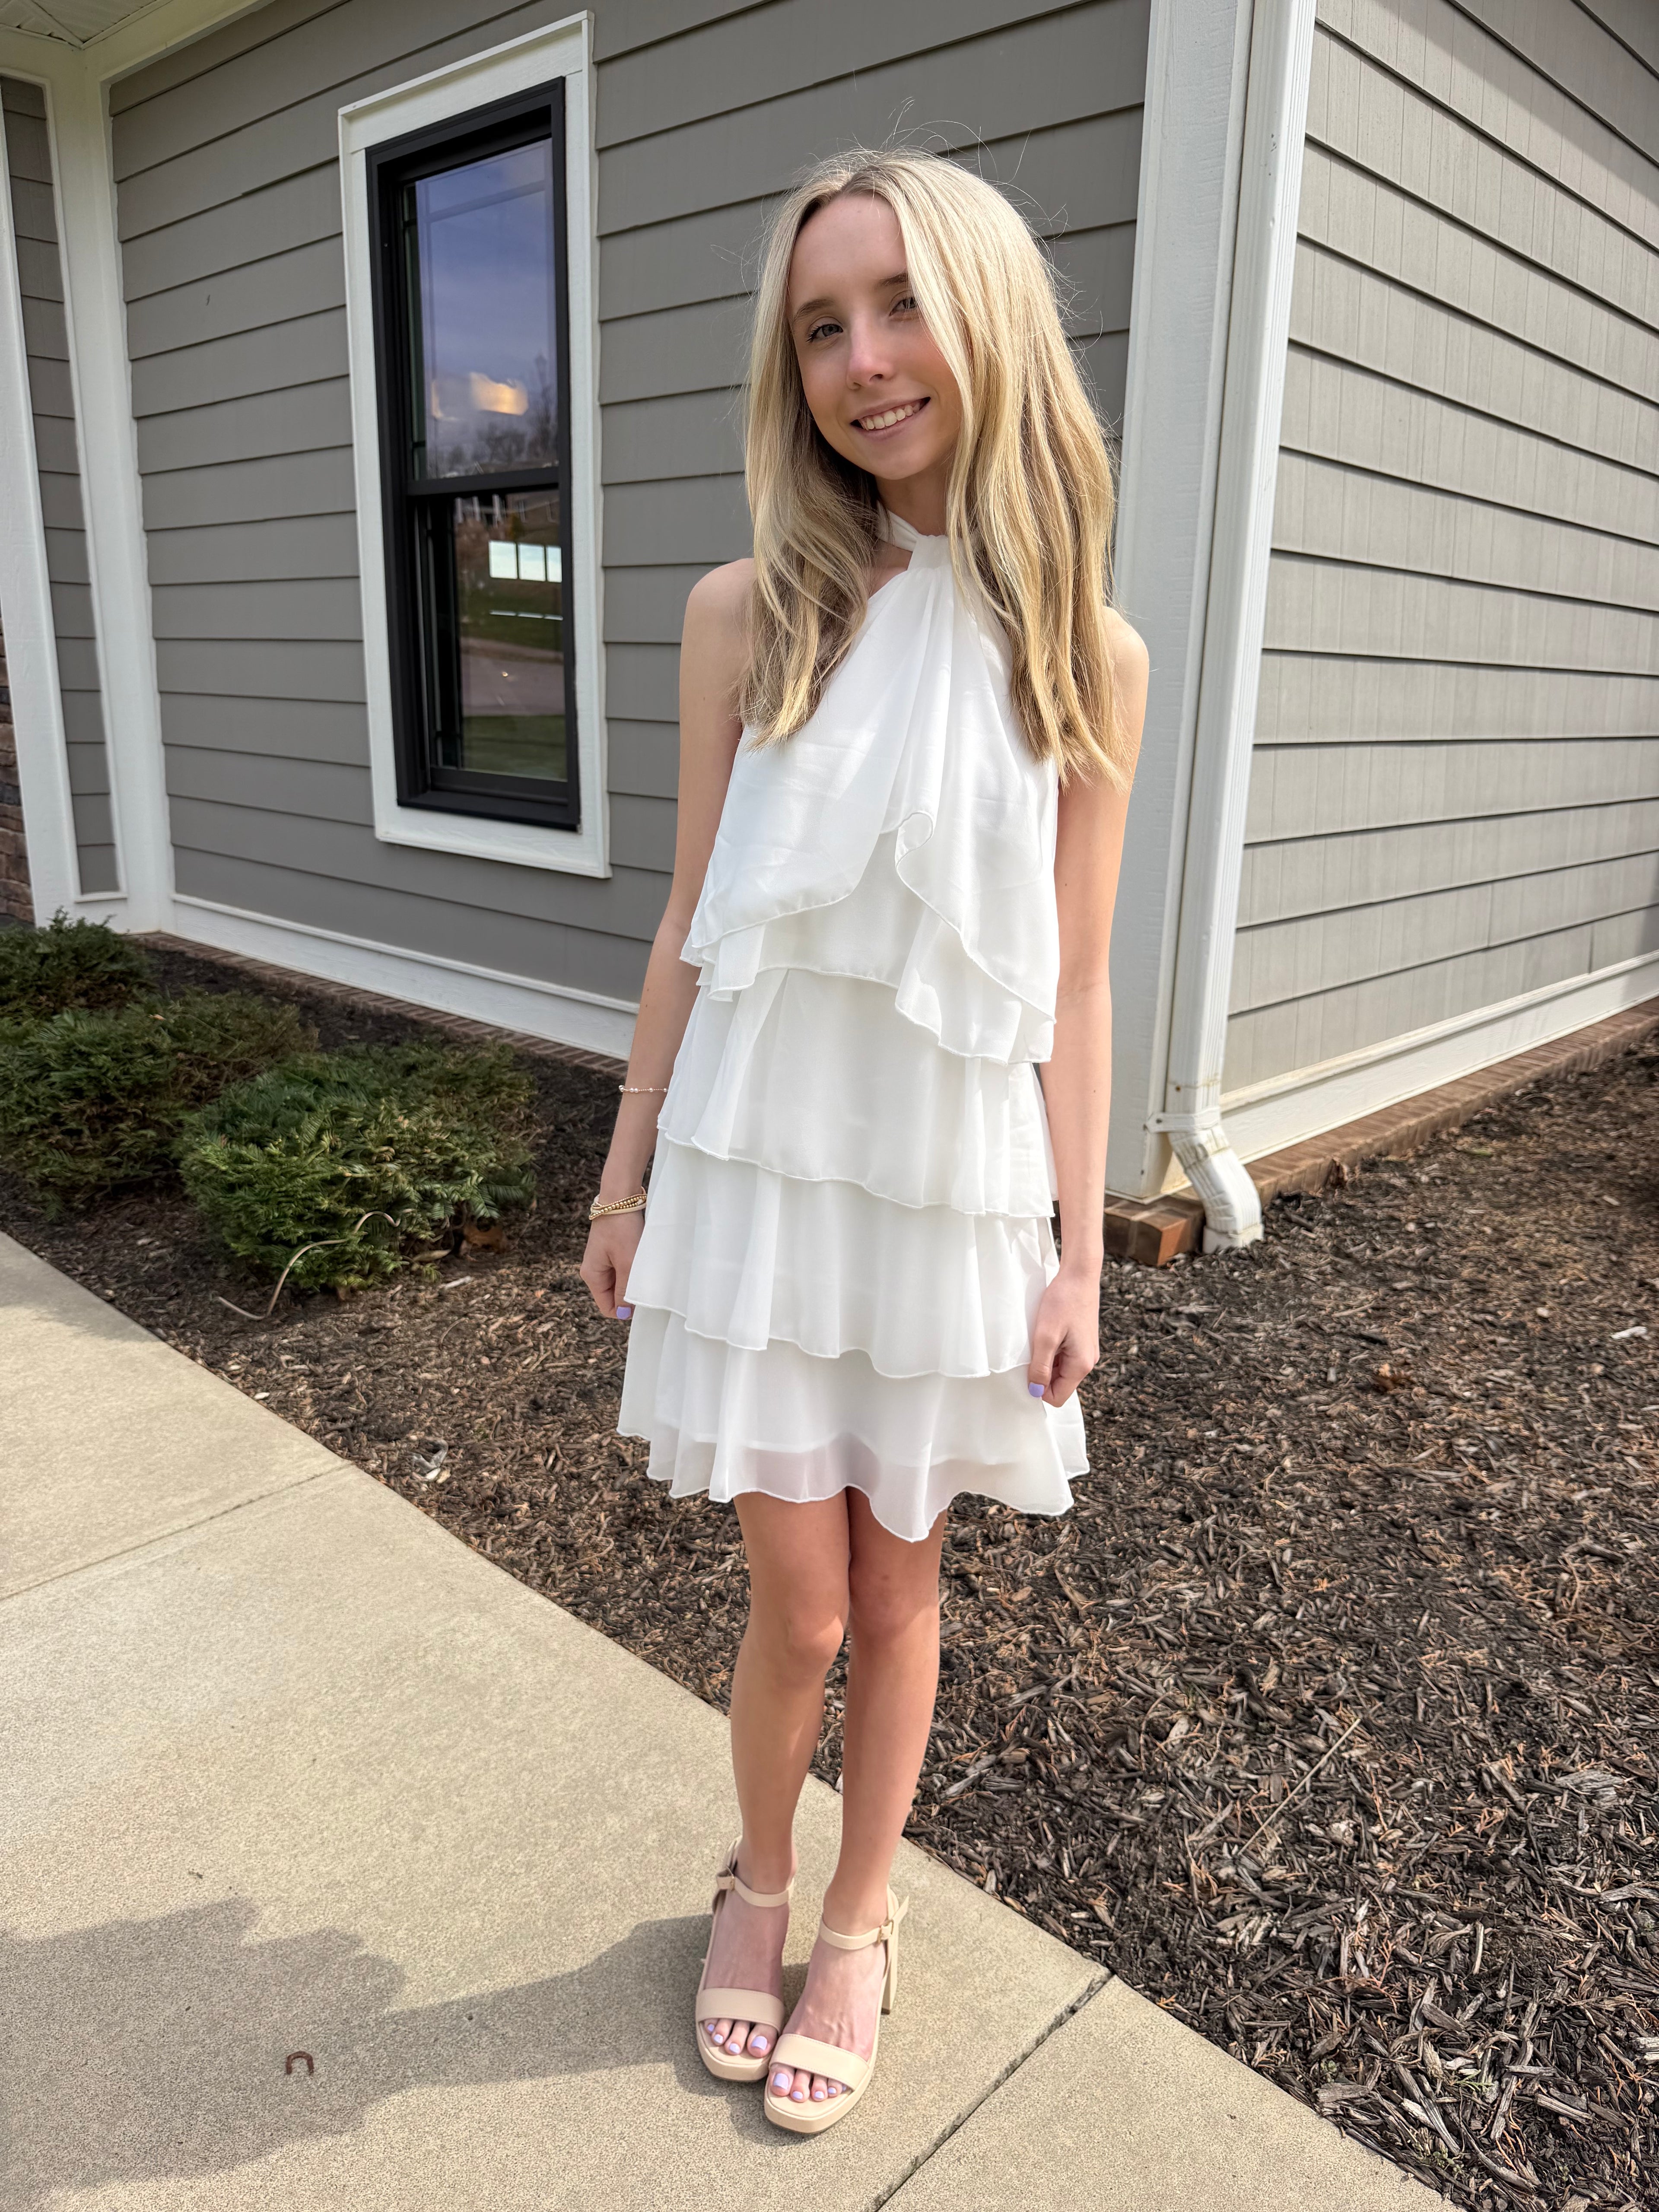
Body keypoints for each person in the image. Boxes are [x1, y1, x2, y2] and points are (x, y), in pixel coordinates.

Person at [579, 145, 1147, 2134]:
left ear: (984, 319)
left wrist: (1080, 1248)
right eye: (822, 324)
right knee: (797, 1604)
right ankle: (753, 1880)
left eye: (898, 304)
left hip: (946, 1196)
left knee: (899, 1603)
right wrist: (623, 1173)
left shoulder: (1085, 651)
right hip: (756, 1178)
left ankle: (862, 1916)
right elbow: (687, 921)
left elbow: (1073, 991)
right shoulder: (751, 615)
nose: (862, 359)